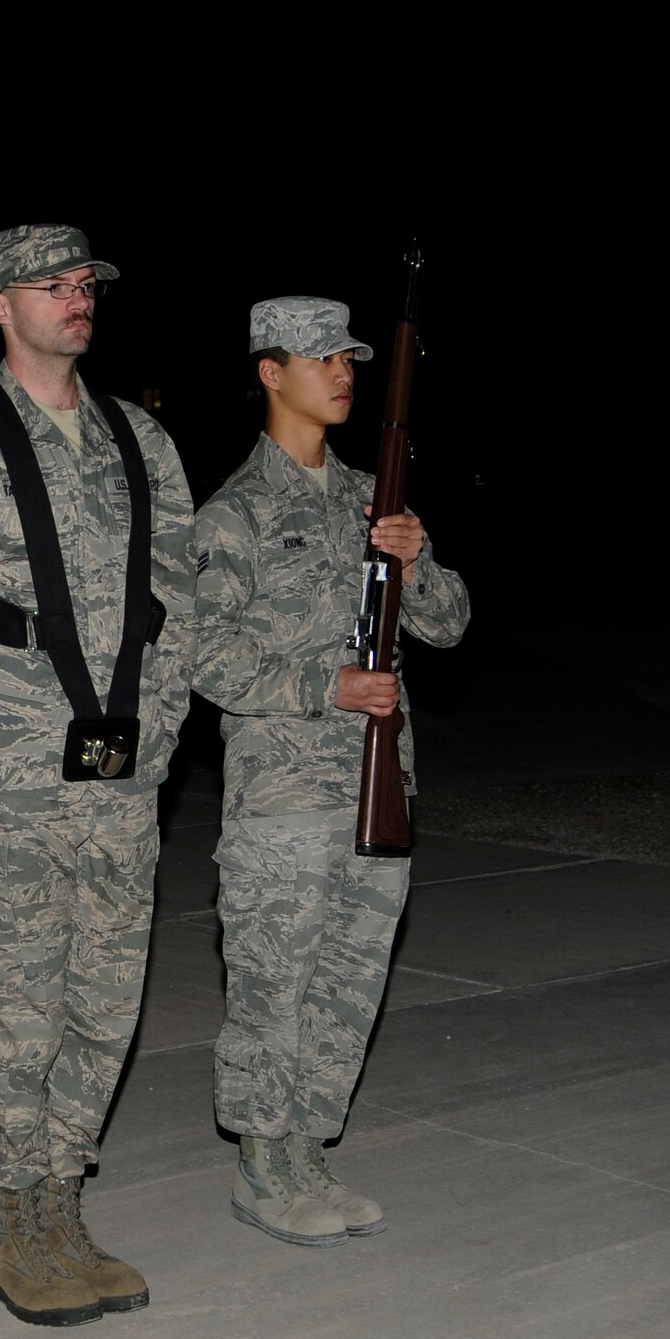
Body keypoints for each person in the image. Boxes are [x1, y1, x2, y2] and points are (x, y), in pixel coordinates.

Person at [0, 226, 195, 1327]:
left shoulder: (139, 440)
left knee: (104, 994)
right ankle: (9, 1215)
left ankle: (64, 1196)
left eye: (84, 285)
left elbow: (177, 603)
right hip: (3, 765)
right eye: (50, 287)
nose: (75, 300)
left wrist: (157, 729)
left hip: (117, 771)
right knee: (15, 998)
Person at [194, 296, 468, 1244]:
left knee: (348, 983)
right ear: (271, 373)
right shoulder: (236, 513)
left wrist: (415, 557)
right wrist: (328, 686)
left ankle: (308, 1152)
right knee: (274, 987)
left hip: (375, 789)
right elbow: (206, 657)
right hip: (284, 795)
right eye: (321, 359)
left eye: (349, 357)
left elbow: (449, 623)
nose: (343, 374)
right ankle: (263, 1166)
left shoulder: (373, 498)